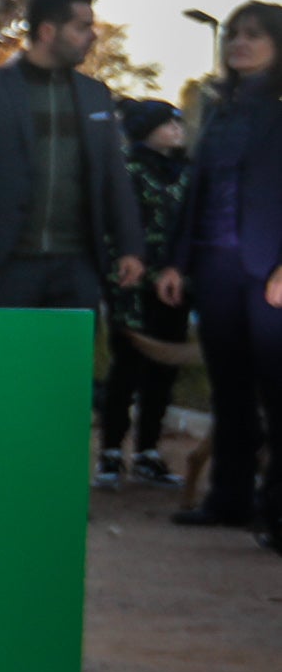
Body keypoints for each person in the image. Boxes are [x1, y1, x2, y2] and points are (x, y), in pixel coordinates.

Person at [0, 0, 147, 311]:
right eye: (82, 27)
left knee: (67, 361)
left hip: (77, 266)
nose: (92, 35)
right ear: (47, 31)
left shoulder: (96, 95)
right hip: (4, 264)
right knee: (3, 360)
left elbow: (114, 176)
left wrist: (131, 247)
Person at [163, 2, 282, 536]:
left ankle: (277, 511)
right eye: (233, 34)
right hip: (214, 268)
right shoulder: (215, 107)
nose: (239, 43)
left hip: (269, 273)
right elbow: (196, 190)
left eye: (253, 35)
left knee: (277, 391)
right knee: (229, 390)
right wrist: (175, 261)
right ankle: (228, 500)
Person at [98, 96, 195, 487]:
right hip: (132, 286)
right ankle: (109, 452)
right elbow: (115, 227)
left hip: (176, 285)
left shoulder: (187, 173)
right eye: (167, 123)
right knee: (127, 367)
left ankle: (148, 452)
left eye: (178, 123)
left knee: (164, 368)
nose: (176, 129)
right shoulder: (126, 170)